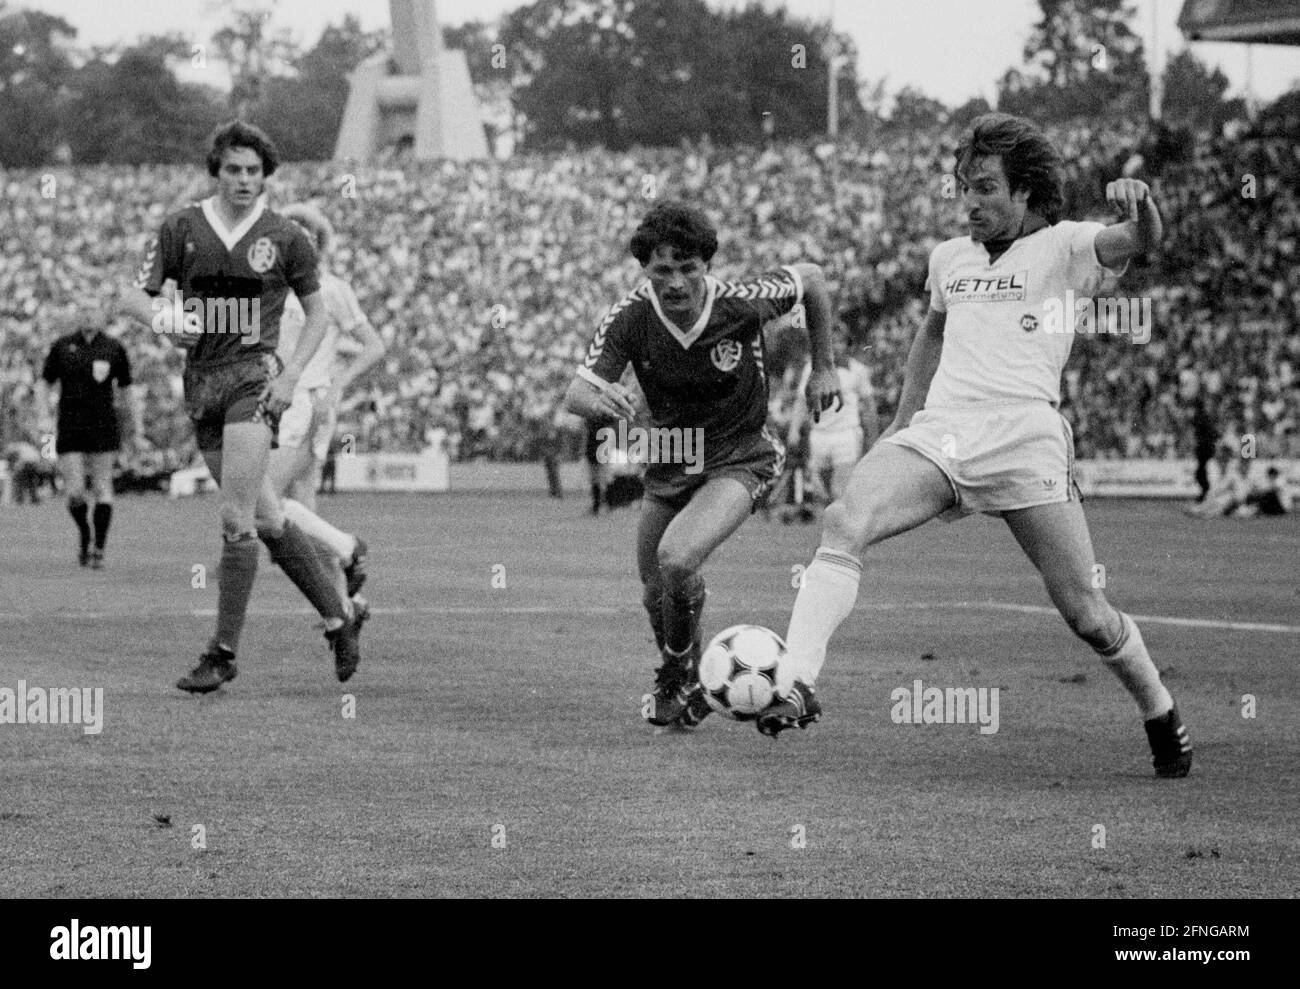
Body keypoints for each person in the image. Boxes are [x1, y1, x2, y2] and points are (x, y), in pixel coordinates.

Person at [771, 113, 1193, 780]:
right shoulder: (950, 258)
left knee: (1086, 612)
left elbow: (1140, 240)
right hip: (943, 431)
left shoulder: (1067, 246)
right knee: (843, 519)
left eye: (986, 187)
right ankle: (794, 680)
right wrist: (903, 424)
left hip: (1025, 437)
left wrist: (1143, 209)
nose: (970, 201)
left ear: (1026, 192)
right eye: (964, 186)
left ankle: (1159, 706)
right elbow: (931, 339)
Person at [563, 201, 840, 728]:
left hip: (743, 455)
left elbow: (812, 279)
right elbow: (577, 392)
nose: (676, 282)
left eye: (688, 267)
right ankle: (683, 674)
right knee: (655, 589)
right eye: (662, 270)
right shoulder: (631, 317)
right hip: (673, 458)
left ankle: (676, 678)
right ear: (644, 271)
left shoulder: (740, 304)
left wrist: (822, 368)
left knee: (676, 558)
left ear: (706, 266)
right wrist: (602, 402)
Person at [117, 121, 365, 692]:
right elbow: (133, 295)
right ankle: (339, 617)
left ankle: (223, 653)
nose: (244, 180)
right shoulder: (181, 227)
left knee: (235, 516)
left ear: (266, 175)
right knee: (269, 516)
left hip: (253, 381)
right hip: (201, 383)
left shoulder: (286, 238)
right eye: (233, 169)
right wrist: (166, 319)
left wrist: (292, 374)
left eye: (254, 171)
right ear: (217, 170)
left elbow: (319, 314)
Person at [269, 203, 384, 601]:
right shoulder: (271, 288)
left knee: (267, 495)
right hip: (279, 402)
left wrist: (337, 385)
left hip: (310, 402)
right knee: (301, 501)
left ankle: (349, 550)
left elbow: (373, 346)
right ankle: (342, 602)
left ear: (318, 245)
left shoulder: (332, 289)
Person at [37, 301, 141, 568]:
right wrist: (43, 415)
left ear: (101, 316)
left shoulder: (114, 348)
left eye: (93, 311)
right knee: (74, 492)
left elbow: (127, 389)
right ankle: (85, 532)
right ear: (77, 315)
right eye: (83, 311)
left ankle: (99, 548)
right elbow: (44, 382)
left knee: (102, 487)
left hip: (103, 425)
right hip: (70, 425)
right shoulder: (62, 346)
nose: (88, 316)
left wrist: (136, 425)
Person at [786, 331, 879, 504]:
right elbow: (801, 401)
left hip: (846, 434)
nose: (835, 346)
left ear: (847, 345)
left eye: (840, 342)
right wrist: (793, 430)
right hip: (819, 434)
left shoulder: (858, 370)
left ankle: (843, 527)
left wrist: (873, 437)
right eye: (831, 342)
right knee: (818, 492)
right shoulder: (812, 368)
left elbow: (869, 406)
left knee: (839, 490)